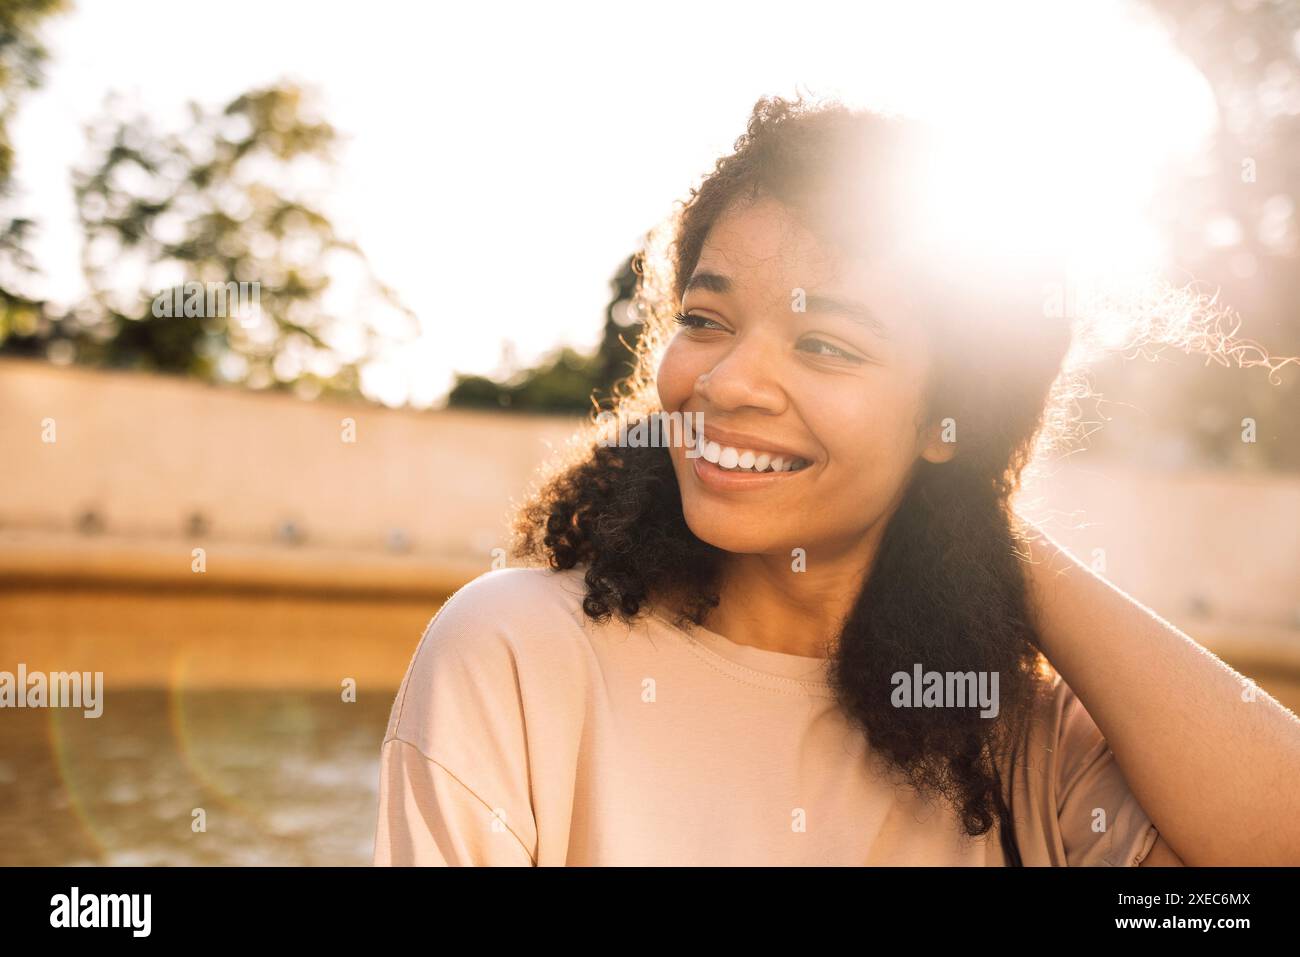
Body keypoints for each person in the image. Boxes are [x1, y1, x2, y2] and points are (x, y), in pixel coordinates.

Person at [373, 95, 1300, 866]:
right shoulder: (516, 657)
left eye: (825, 344)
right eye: (706, 318)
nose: (727, 380)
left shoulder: (1023, 748)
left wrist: (994, 532)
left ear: (951, 418)